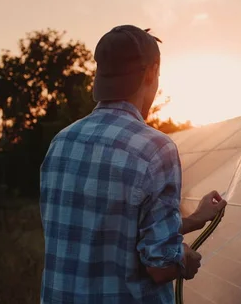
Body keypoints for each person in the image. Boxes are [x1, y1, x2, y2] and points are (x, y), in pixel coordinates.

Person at [39, 24, 227, 303]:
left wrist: (195, 219)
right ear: (151, 73)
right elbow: (160, 266)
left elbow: (112, 233)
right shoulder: (155, 149)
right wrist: (184, 258)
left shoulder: (61, 143)